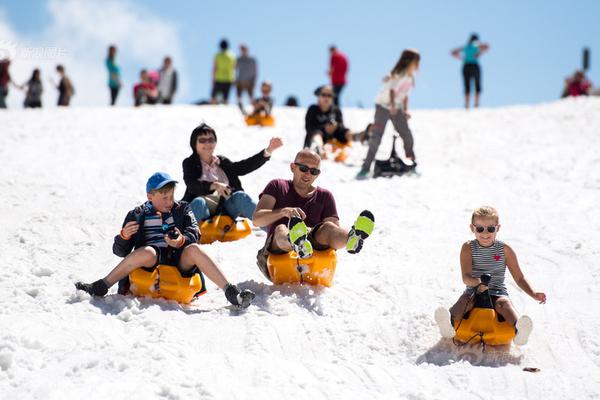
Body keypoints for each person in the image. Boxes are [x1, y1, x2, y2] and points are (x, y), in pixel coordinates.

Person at [75, 172, 255, 308]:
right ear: (150, 196)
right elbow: (120, 252)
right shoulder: (136, 214)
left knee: (194, 249)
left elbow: (195, 232)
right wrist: (124, 237)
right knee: (148, 251)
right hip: (152, 260)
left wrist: (181, 240)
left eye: (171, 196)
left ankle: (232, 293)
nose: (169, 201)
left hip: (179, 257)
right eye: (164, 198)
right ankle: (101, 285)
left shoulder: (183, 209)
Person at [252, 149, 375, 280]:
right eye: (304, 168)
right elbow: (257, 219)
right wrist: (284, 211)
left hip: (312, 248)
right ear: (293, 167)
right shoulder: (277, 186)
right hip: (277, 251)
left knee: (328, 227)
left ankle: (352, 238)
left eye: (313, 171)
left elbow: (332, 233)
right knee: (281, 229)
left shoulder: (325, 196)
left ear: (318, 174)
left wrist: (331, 234)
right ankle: (294, 241)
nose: (308, 174)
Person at [434, 206, 546, 345]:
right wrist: (480, 283)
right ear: (472, 228)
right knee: (465, 301)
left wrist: (533, 293)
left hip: (497, 291)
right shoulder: (468, 248)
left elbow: (519, 278)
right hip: (474, 289)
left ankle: (519, 331)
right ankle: (449, 323)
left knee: (504, 304)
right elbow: (466, 277)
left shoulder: (505, 250)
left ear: (497, 228)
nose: (485, 233)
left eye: (490, 229)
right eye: (480, 229)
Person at [182, 123, 283, 222]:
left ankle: (273, 230)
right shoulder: (190, 163)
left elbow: (243, 167)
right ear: (194, 144)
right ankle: (186, 234)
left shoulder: (221, 162)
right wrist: (214, 185)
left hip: (224, 209)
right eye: (202, 140)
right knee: (199, 202)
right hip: (202, 209)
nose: (207, 143)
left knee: (240, 196)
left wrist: (268, 151)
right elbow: (192, 185)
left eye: (211, 140)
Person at [356, 49, 420, 179]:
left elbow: (405, 95)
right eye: (416, 61)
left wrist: (406, 110)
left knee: (407, 135)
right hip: (384, 106)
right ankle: (365, 168)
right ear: (410, 61)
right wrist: (391, 106)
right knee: (377, 137)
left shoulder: (410, 78)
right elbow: (392, 90)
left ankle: (411, 165)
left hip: (397, 108)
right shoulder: (398, 74)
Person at [304, 85, 370, 157]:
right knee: (316, 133)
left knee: (344, 131)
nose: (326, 98)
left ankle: (359, 137)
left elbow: (341, 126)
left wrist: (335, 127)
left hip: (334, 139)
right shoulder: (313, 109)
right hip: (316, 138)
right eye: (323, 95)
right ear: (318, 96)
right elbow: (309, 127)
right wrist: (324, 128)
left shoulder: (336, 110)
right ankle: (318, 148)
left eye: (329, 95)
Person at [451, 34, 490, 109]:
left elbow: (453, 52)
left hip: (466, 66)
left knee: (467, 86)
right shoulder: (476, 46)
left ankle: (467, 105)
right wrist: (479, 53)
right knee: (477, 85)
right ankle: (476, 104)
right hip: (474, 66)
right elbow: (487, 47)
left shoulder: (465, 47)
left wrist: (462, 58)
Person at [211, 39, 236, 104]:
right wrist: (234, 79)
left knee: (214, 97)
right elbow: (234, 68)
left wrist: (213, 78)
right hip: (229, 79)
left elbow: (214, 68)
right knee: (226, 99)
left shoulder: (217, 55)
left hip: (219, 78)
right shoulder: (232, 56)